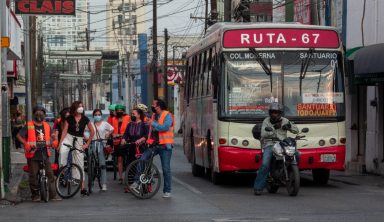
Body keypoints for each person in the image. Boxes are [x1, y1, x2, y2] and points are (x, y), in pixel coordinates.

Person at [16, 106, 62, 202]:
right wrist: (25, 143)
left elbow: (51, 138)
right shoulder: (29, 125)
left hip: (44, 154)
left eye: (41, 112)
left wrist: (54, 139)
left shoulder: (46, 126)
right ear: (34, 114)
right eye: (37, 112)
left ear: (44, 115)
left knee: (50, 174)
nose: (39, 114)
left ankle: (53, 195)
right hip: (33, 154)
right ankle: (35, 195)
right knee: (33, 175)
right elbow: (19, 136)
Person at [131, 99, 174, 198]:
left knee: (166, 169)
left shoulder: (167, 115)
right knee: (142, 159)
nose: (152, 105)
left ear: (159, 106)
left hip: (165, 146)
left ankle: (167, 190)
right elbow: (150, 127)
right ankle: (136, 181)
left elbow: (165, 127)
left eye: (154, 104)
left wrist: (153, 124)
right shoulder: (154, 116)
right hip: (153, 145)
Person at [253, 103, 299, 195]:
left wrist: (289, 127)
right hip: (270, 144)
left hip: (283, 144)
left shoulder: (285, 120)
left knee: (297, 155)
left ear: (280, 113)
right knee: (265, 164)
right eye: (273, 112)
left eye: (277, 112)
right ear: (270, 113)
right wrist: (274, 128)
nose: (275, 114)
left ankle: (291, 173)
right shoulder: (266, 121)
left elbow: (296, 130)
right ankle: (258, 187)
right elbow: (263, 134)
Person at [59, 101, 95, 195]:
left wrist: (87, 144)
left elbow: (92, 132)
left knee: (80, 162)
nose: (81, 108)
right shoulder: (69, 118)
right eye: (79, 106)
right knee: (63, 151)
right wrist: (60, 144)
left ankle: (82, 188)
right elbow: (64, 131)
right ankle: (63, 170)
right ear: (75, 108)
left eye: (82, 106)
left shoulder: (85, 119)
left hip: (79, 139)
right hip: (69, 137)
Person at [121, 108, 148, 192]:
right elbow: (125, 134)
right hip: (132, 147)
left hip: (141, 147)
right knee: (129, 165)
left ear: (139, 115)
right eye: (131, 114)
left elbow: (147, 135)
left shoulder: (144, 124)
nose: (132, 115)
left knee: (141, 166)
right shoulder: (130, 124)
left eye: (134, 114)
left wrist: (141, 140)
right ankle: (129, 185)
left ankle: (143, 185)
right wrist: (124, 139)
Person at [89, 109, 114, 191]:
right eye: (96, 114)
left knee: (102, 165)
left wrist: (108, 134)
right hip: (92, 143)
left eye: (99, 114)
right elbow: (84, 131)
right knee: (91, 164)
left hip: (101, 144)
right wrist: (86, 138)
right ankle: (91, 183)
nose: (97, 116)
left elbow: (112, 129)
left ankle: (104, 183)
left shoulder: (104, 124)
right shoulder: (90, 124)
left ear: (101, 115)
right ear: (93, 116)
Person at [111, 104, 131, 183]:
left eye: (121, 110)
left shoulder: (128, 118)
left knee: (128, 158)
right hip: (116, 141)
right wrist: (112, 134)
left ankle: (128, 173)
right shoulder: (113, 119)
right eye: (118, 110)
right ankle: (120, 177)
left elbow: (130, 128)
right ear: (116, 111)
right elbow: (111, 129)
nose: (119, 112)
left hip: (126, 140)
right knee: (119, 159)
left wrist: (124, 135)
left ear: (123, 111)